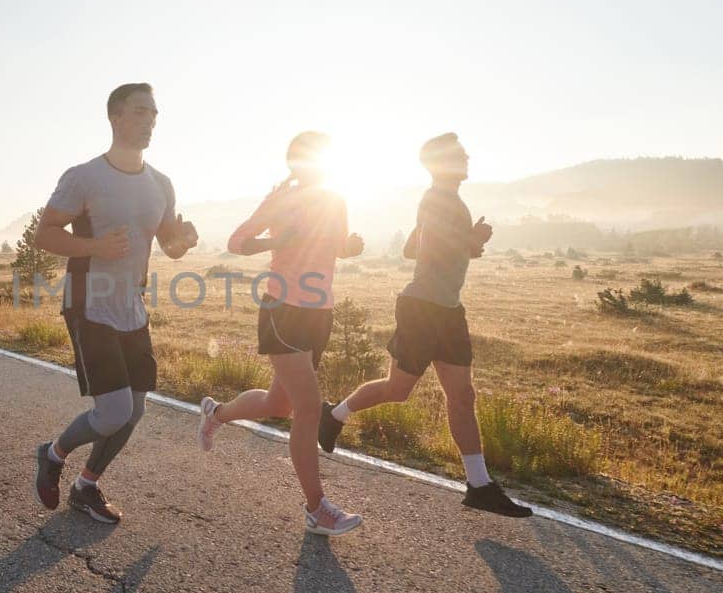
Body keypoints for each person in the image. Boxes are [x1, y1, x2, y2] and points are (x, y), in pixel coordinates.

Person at [317, 132, 532, 517]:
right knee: (398, 390)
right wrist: (470, 240)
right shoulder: (436, 199)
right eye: (459, 154)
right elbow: (434, 248)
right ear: (441, 162)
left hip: (447, 309)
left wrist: (466, 243)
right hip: (422, 308)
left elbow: (411, 249)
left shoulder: (445, 201)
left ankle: (479, 485)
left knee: (463, 396)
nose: (467, 157)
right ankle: (333, 415)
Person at [33, 83, 199, 523]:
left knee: (135, 408)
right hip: (89, 303)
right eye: (141, 112)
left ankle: (86, 486)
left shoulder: (161, 183)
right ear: (115, 117)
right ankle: (52, 454)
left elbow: (168, 243)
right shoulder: (84, 176)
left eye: (154, 114)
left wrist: (183, 241)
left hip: (131, 304)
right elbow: (45, 233)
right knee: (114, 411)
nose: (149, 122)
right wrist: (95, 247)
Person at [197, 131, 366, 536]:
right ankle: (317, 509)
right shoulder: (280, 199)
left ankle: (215, 413)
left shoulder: (335, 199)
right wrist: (278, 238)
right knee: (308, 407)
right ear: (294, 163)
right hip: (283, 309)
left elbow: (336, 245)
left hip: (320, 312)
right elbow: (237, 241)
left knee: (279, 404)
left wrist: (351, 248)